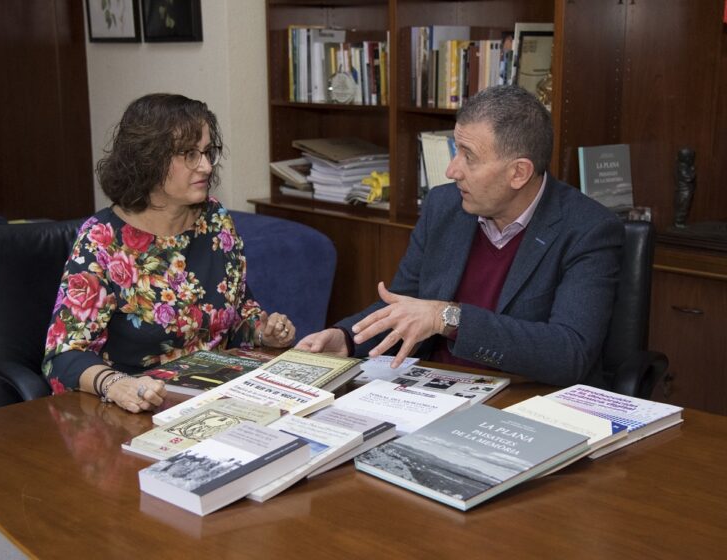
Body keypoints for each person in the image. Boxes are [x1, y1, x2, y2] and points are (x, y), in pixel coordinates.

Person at [297, 85, 624, 388]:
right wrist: (347, 338)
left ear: (518, 173)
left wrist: (448, 318)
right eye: (456, 151)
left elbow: (569, 353)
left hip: (523, 400)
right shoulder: (444, 205)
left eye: (469, 156)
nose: (452, 171)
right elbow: (406, 303)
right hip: (431, 389)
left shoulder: (587, 229)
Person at [43, 93, 296, 413]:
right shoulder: (102, 239)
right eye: (189, 154)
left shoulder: (215, 221)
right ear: (148, 158)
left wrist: (264, 331)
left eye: (207, 152)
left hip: (214, 398)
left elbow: (237, 314)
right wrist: (115, 384)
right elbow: (62, 356)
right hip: (135, 406)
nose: (206, 166)